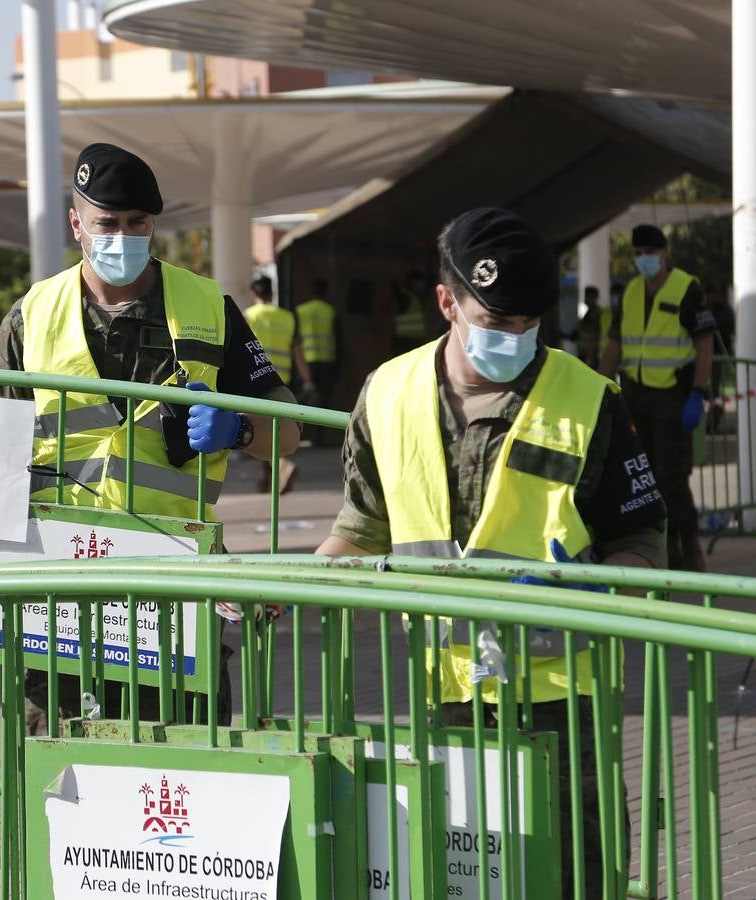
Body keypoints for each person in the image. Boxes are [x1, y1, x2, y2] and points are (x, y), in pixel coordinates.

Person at [317, 207, 667, 899]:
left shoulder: (589, 400)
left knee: (577, 875)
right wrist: (280, 584)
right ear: (447, 302)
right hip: (439, 693)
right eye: (495, 321)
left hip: (564, 704)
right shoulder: (385, 395)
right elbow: (361, 529)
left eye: (527, 322)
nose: (515, 339)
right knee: (461, 877)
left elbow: (642, 542)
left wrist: (602, 590)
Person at [0, 142, 302, 733]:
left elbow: (289, 432)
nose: (122, 236)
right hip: (58, 588)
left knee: (185, 771)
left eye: (136, 223)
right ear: (76, 224)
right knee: (64, 783)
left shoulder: (208, 306)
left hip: (172, 589)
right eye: (106, 224)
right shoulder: (31, 317)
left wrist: (240, 428)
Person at [599, 224, 716, 572]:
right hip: (636, 397)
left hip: (672, 398)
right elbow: (616, 343)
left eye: (649, 252)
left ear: (665, 253)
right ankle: (663, 553)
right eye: (637, 253)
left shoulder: (686, 288)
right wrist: (598, 386)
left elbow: (705, 341)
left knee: (671, 478)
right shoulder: (632, 291)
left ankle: (691, 550)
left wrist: (698, 392)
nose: (643, 259)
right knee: (642, 480)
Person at [243, 274, 310, 492]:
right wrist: (308, 380)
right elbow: (298, 353)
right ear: (272, 293)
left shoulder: (249, 316)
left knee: (258, 428)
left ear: (253, 294)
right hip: (283, 382)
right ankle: (268, 480)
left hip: (256, 377)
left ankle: (282, 466)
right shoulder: (287, 317)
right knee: (275, 428)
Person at [296, 277, 341, 445]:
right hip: (327, 361)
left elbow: (296, 339)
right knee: (323, 400)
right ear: (325, 292)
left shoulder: (301, 310)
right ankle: (318, 438)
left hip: (306, 361)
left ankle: (303, 434)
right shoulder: (330, 311)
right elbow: (337, 338)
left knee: (305, 399)